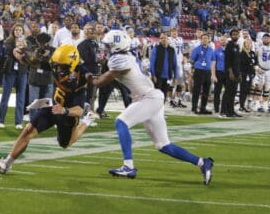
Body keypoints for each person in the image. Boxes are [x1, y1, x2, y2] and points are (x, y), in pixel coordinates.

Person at [86, 30, 214, 185]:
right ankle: (202, 162)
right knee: (163, 145)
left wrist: (82, 72)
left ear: (116, 46)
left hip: (148, 98)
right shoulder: (126, 56)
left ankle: (128, 166)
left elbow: (99, 82)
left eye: (108, 45)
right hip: (151, 97)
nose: (105, 48)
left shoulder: (119, 60)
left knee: (121, 122)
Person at [0, 45, 98, 174]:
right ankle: (5, 164)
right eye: (56, 64)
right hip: (52, 106)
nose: (57, 68)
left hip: (68, 113)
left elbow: (79, 109)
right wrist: (21, 54)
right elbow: (35, 62)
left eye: (61, 66)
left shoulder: (81, 77)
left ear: (72, 64)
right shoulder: (57, 63)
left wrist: (65, 111)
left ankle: (88, 120)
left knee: (65, 144)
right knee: (28, 131)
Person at [0, 23, 28, 129]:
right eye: (16, 30)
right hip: (10, 70)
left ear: (23, 31)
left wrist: (24, 48)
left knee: (21, 97)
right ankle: (0, 120)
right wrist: (17, 48)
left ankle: (18, 122)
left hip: (22, 71)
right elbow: (8, 51)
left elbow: (28, 55)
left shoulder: (26, 42)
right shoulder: (9, 41)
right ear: (13, 31)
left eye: (20, 30)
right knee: (6, 95)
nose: (18, 32)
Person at [190, 33, 215, 114]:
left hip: (208, 71)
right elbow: (192, 59)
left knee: (206, 91)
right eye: (203, 38)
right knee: (196, 90)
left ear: (209, 40)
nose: (204, 40)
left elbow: (213, 61)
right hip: (199, 70)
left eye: (206, 38)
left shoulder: (211, 49)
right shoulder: (197, 48)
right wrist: (193, 67)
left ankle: (203, 108)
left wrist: (213, 72)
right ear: (201, 40)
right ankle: (194, 108)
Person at [150, 33, 177, 103]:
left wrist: (175, 77)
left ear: (167, 39)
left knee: (164, 95)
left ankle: (161, 111)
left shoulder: (172, 50)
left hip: (168, 76)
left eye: (164, 38)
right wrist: (153, 75)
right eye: (161, 38)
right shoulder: (156, 49)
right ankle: (155, 112)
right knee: (157, 96)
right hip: (158, 76)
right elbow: (152, 63)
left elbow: (175, 64)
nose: (163, 39)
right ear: (159, 39)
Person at [222, 29, 242, 118]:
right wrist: (230, 72)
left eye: (236, 34)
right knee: (228, 92)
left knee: (233, 93)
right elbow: (228, 61)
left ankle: (231, 110)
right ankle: (225, 111)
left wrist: (239, 73)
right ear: (231, 36)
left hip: (237, 72)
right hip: (230, 73)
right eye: (233, 34)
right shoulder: (229, 46)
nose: (235, 36)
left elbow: (238, 61)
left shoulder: (237, 46)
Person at [239, 39, 257, 112]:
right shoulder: (242, 53)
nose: (248, 44)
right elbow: (241, 64)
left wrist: (255, 68)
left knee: (247, 90)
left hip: (250, 74)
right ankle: (241, 105)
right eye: (247, 43)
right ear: (244, 44)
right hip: (244, 74)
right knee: (243, 90)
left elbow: (255, 62)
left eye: (250, 43)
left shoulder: (252, 53)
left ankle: (244, 105)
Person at [211, 35, 227, 114]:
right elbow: (213, 63)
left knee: (227, 91)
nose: (223, 41)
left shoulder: (229, 51)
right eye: (221, 40)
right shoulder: (216, 51)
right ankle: (216, 108)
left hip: (227, 73)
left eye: (224, 40)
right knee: (217, 91)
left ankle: (225, 107)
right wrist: (213, 75)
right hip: (219, 72)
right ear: (219, 41)